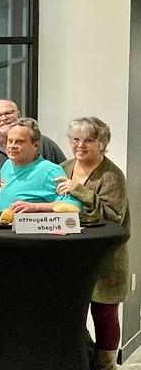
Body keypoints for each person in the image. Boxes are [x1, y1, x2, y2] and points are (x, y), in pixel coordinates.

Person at [57, 117, 129, 370]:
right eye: (75, 139)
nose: (80, 145)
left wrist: (79, 190)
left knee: (104, 314)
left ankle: (106, 365)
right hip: (70, 257)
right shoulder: (63, 167)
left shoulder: (112, 175)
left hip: (105, 259)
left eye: (88, 140)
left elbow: (113, 218)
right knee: (71, 313)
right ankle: (84, 358)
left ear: (102, 143)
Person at [0, 118, 80, 212]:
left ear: (35, 145)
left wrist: (35, 207)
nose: (12, 146)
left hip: (32, 226)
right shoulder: (7, 165)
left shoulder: (50, 171)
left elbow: (73, 206)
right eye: (10, 141)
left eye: (19, 142)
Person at [0, 99, 65, 168]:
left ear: (18, 115)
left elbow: (64, 171)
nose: (4, 118)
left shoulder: (43, 143)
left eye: (8, 113)